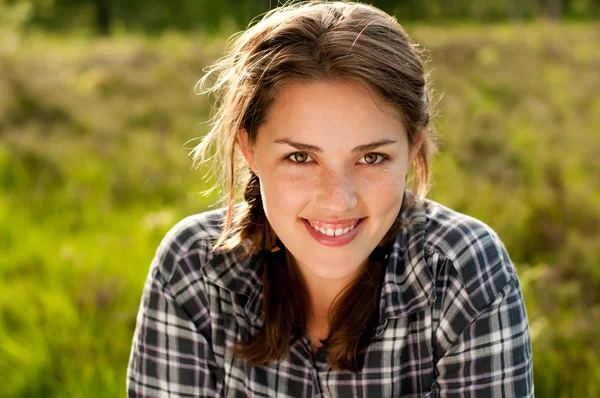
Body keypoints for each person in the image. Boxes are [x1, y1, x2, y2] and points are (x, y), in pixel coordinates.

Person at [126, 1, 534, 397]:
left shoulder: (462, 273)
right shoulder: (192, 269)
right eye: (300, 157)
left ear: (413, 150)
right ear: (249, 150)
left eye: (371, 157)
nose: (338, 200)